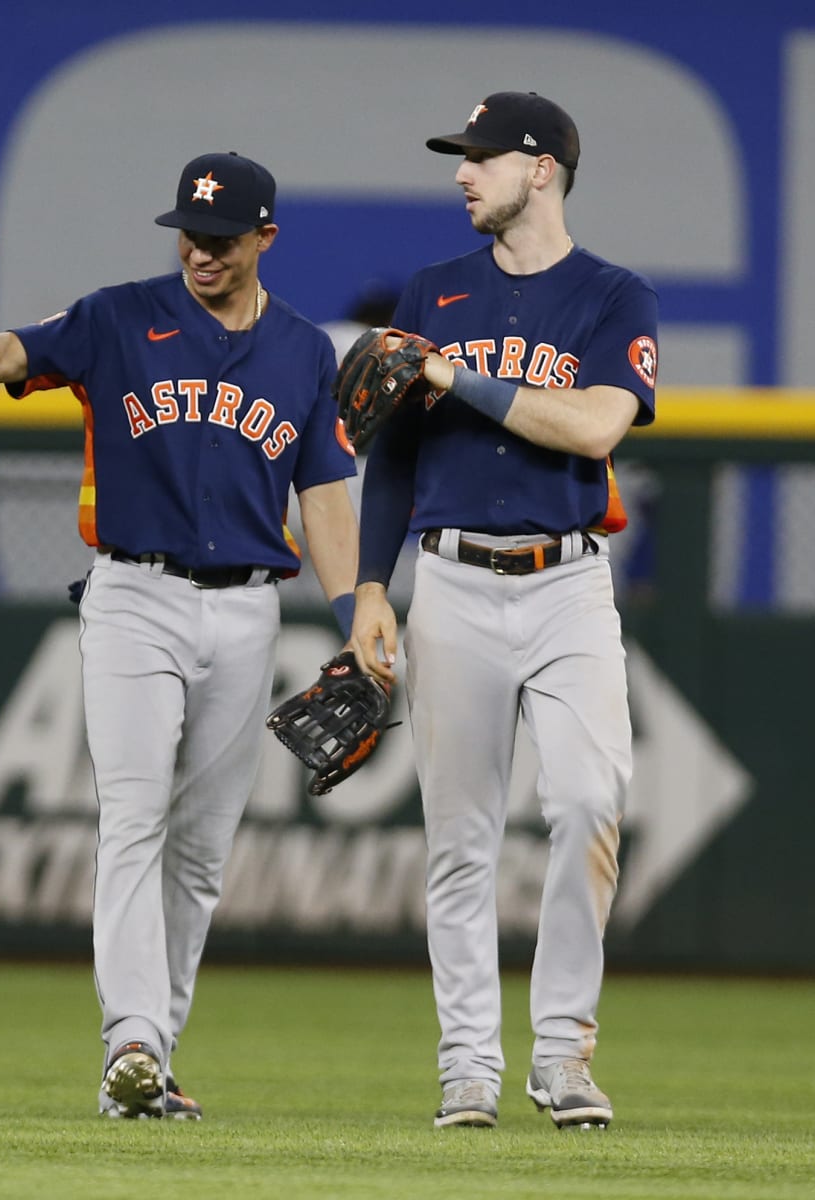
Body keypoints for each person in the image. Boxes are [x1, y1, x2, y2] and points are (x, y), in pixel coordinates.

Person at [0, 152, 360, 1120]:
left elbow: (321, 494)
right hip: (133, 596)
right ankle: (132, 1040)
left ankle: (149, 1064)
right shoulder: (117, 316)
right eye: (190, 233)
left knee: (199, 851)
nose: (201, 250)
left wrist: (360, 614)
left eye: (223, 237)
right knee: (134, 816)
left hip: (245, 607)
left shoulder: (303, 352)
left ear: (264, 239)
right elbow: (12, 356)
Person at [347, 92, 657, 1130]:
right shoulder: (431, 292)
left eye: (481, 156)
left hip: (569, 581)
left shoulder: (614, 296)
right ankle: (469, 1066)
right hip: (452, 582)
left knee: (585, 804)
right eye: (461, 156)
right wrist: (369, 593)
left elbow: (595, 426)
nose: (461, 173)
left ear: (544, 167)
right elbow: (390, 456)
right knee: (459, 839)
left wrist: (453, 374)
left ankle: (563, 1053)